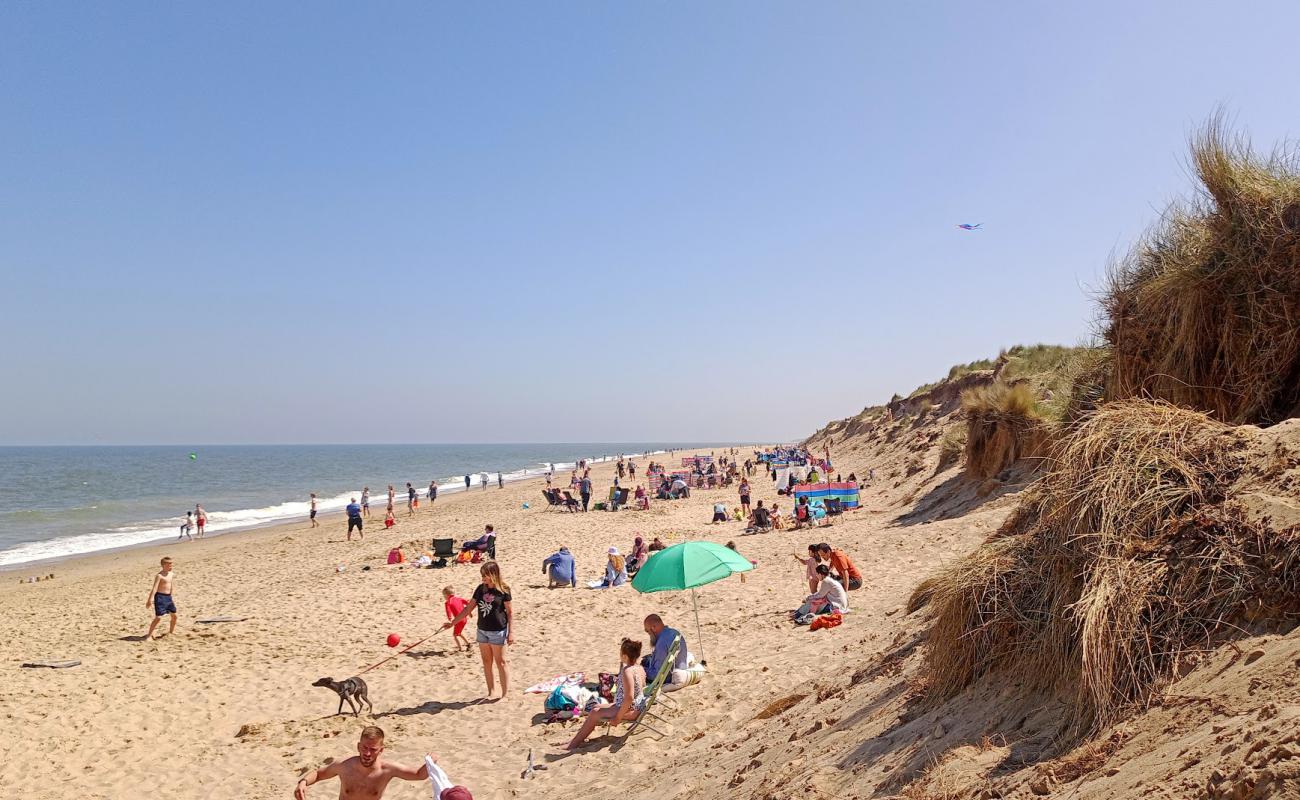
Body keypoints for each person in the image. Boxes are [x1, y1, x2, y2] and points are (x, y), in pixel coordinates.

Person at [293, 726, 441, 800]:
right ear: (358, 746)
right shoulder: (345, 765)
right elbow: (319, 774)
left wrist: (431, 760)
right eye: (364, 748)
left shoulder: (388, 770)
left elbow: (419, 775)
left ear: (381, 750)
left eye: (373, 749)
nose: (367, 753)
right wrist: (303, 783)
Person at [442, 561, 513, 700]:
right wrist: (452, 623)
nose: (483, 578)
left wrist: (511, 632)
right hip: (482, 630)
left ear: (493, 574)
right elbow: (468, 608)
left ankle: (504, 694)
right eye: (482, 575)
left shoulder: (504, 590)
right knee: (487, 662)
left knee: (501, 662)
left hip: (498, 631)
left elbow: (510, 613)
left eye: (485, 575)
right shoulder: (481, 589)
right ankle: (491, 691)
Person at [564, 638, 646, 750]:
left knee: (594, 712)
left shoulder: (627, 672)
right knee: (596, 707)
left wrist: (618, 717)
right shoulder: (640, 668)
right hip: (635, 707)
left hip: (628, 709)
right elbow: (641, 688)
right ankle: (577, 739)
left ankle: (573, 744)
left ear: (625, 657)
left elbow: (629, 697)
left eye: (621, 654)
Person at [642, 614, 687, 685]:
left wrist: (641, 669)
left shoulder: (661, 643)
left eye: (647, 631)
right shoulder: (675, 632)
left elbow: (657, 675)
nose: (649, 634)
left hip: (668, 677)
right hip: (681, 669)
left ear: (653, 628)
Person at [145, 556, 178, 640]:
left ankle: (171, 632)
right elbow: (154, 588)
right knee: (158, 618)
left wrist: (171, 595)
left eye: (171, 564)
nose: (171, 566)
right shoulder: (159, 576)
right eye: (169, 564)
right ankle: (149, 635)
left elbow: (171, 585)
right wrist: (150, 600)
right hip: (160, 597)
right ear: (163, 565)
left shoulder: (171, 574)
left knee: (174, 616)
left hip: (168, 598)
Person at [442, 586, 471, 652]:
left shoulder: (448, 602)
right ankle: (468, 644)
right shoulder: (459, 598)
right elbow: (467, 602)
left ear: (446, 595)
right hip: (464, 619)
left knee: (455, 635)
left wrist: (449, 618)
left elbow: (448, 611)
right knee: (459, 633)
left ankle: (460, 648)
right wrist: (469, 612)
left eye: (444, 596)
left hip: (458, 620)